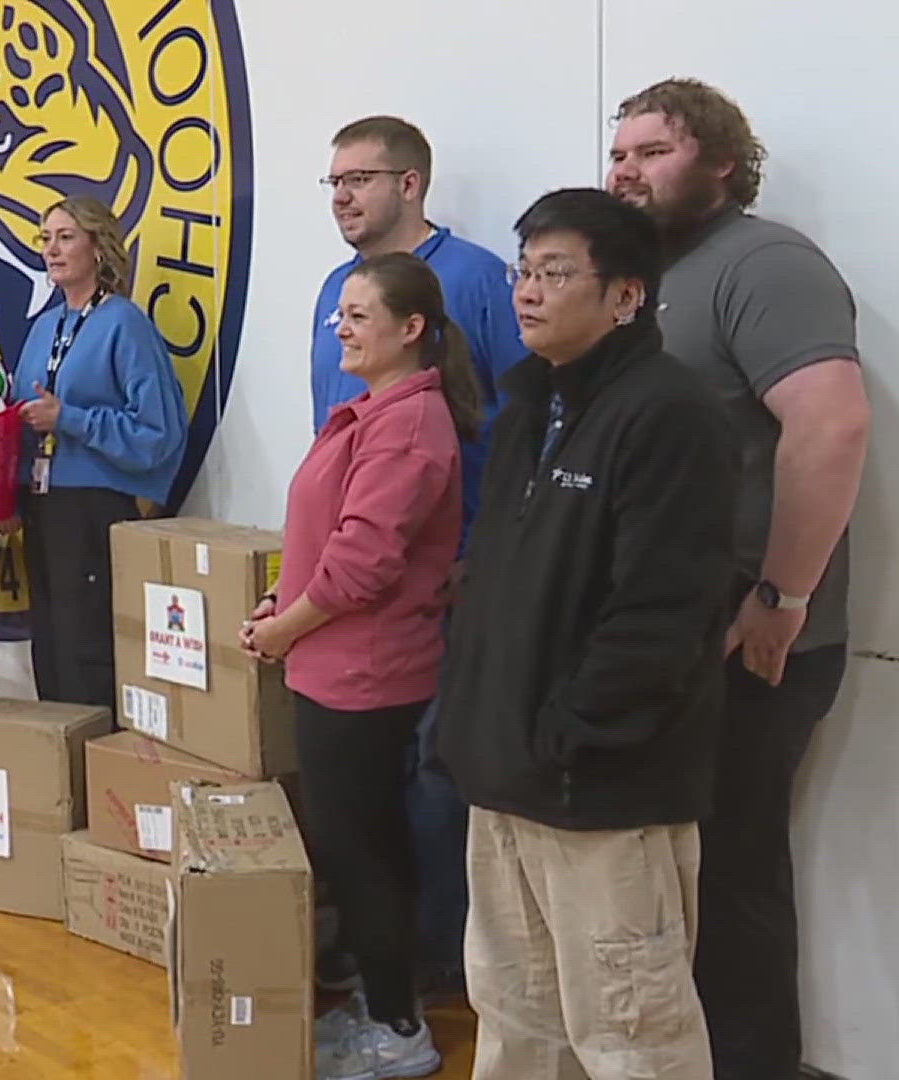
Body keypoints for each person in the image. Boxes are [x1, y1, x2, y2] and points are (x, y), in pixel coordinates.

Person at [436, 189, 738, 1078]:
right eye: (525, 269)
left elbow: (664, 611)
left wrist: (574, 737)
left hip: (599, 791)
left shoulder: (670, 415)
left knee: (630, 1034)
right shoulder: (528, 406)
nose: (528, 290)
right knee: (516, 1017)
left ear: (626, 296)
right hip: (503, 780)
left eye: (556, 272)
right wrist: (470, 725)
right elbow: (493, 590)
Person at [608, 78, 870, 1080]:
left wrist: (782, 597)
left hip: (752, 635)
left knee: (733, 877)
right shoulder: (647, 277)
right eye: (620, 152)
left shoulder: (764, 264)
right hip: (673, 632)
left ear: (722, 162)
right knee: (677, 873)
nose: (627, 169)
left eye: (654, 151)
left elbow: (832, 425)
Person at [243, 252, 480, 1080]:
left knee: (364, 854)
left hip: (365, 675)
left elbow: (363, 564)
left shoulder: (411, 427)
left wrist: (286, 629)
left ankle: (398, 1031)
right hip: (329, 660)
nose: (339, 327)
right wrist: (281, 605)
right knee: (354, 848)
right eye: (337, 313)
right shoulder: (371, 411)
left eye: (358, 315)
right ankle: (383, 1007)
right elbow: (322, 540)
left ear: (411, 330)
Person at [311, 115, 529, 995]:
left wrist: (484, 555)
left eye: (356, 179)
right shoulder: (336, 285)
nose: (341, 198)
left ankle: (434, 965)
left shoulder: (477, 280)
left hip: (445, 584)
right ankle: (378, 948)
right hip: (355, 597)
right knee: (363, 799)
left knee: (435, 780)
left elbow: (522, 430)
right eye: (330, 184)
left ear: (410, 184)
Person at [5, 194, 187, 712]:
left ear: (98, 247)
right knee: (52, 646)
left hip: (94, 508)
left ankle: (101, 766)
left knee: (87, 648)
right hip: (44, 506)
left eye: (65, 237)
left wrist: (71, 420)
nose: (51, 250)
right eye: (46, 238)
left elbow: (156, 433)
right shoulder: (46, 327)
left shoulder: (124, 324)